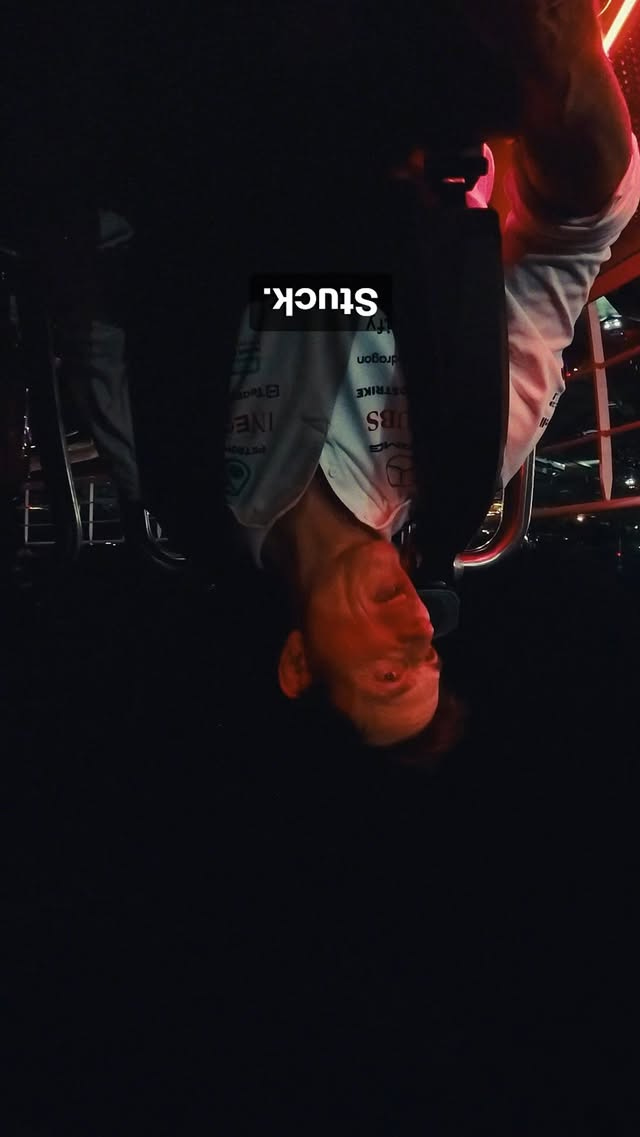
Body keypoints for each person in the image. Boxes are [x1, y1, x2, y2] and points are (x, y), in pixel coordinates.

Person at [222, 0, 640, 755]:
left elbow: (115, 291)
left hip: (240, 76)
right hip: (423, 66)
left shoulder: (189, 475)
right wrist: (562, 69)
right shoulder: (465, 452)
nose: (419, 628)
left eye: (390, 672)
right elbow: (574, 239)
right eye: (432, 655)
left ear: (299, 663)